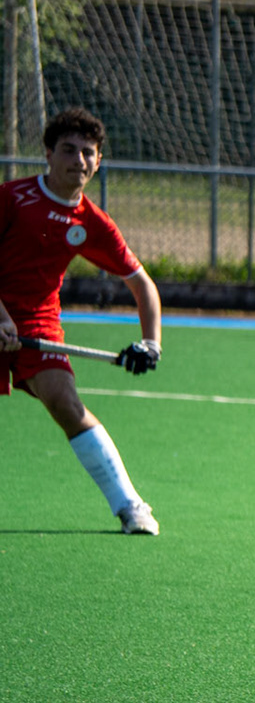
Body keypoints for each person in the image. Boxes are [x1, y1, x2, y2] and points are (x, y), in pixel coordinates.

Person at [0, 107, 164, 534]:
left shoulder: (92, 223)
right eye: (68, 150)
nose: (79, 160)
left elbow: (143, 286)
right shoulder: (12, 198)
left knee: (67, 404)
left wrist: (151, 343)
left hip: (36, 324)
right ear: (48, 154)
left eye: (88, 153)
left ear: (99, 161)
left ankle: (131, 506)